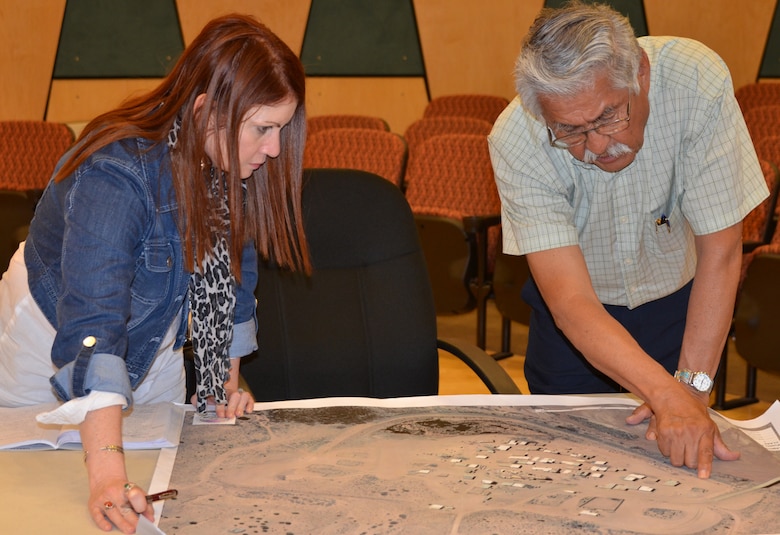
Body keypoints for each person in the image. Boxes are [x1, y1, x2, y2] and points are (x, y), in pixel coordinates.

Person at [0, 14, 310, 533]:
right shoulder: (114, 171)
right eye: (264, 128)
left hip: (154, 339)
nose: (276, 149)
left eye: (282, 128)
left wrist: (221, 387)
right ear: (208, 110)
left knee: (163, 485)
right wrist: (104, 473)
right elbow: (95, 329)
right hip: (53, 337)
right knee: (41, 498)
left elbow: (231, 287)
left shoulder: (231, 166)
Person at [488, 1, 768, 479]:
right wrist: (663, 396)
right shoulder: (517, 138)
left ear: (640, 72)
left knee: (679, 480)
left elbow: (720, 253)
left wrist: (689, 392)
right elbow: (572, 303)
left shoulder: (695, 81)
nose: (596, 146)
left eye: (608, 117)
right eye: (570, 131)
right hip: (574, 333)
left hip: (680, 311)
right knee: (570, 484)